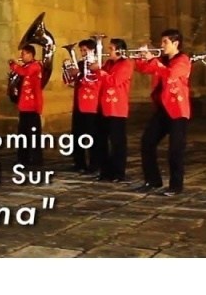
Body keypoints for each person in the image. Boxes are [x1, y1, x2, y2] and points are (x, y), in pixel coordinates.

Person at [132, 29, 191, 196]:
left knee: (175, 150)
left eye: (165, 42)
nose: (161, 45)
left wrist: (153, 60)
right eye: (162, 41)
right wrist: (140, 56)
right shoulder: (162, 60)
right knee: (147, 142)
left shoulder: (183, 60)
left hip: (178, 111)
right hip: (162, 109)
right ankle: (153, 180)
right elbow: (142, 68)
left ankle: (176, 186)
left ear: (176, 43)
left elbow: (171, 74)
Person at [89, 38, 134, 182]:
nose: (108, 52)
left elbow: (114, 81)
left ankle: (118, 173)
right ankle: (105, 171)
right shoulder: (108, 64)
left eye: (111, 49)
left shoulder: (126, 64)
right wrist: (95, 70)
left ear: (119, 50)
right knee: (100, 140)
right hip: (103, 107)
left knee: (117, 143)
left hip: (117, 108)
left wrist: (99, 71)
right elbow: (100, 80)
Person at [8, 44, 44, 167]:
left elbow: (25, 73)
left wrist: (13, 65)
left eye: (23, 54)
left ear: (30, 54)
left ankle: (35, 159)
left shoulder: (35, 66)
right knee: (23, 134)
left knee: (33, 135)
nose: (21, 56)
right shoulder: (27, 66)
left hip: (32, 106)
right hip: (24, 106)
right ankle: (23, 158)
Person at [69, 38, 101, 176]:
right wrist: (70, 73)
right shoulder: (80, 64)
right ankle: (79, 163)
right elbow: (69, 81)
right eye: (81, 50)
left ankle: (94, 164)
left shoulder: (98, 64)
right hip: (78, 103)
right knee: (77, 135)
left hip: (92, 104)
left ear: (92, 51)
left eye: (85, 50)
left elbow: (96, 83)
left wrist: (85, 74)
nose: (82, 53)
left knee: (92, 136)